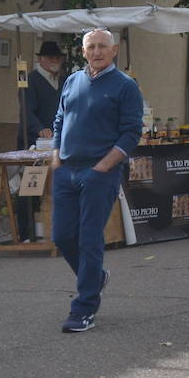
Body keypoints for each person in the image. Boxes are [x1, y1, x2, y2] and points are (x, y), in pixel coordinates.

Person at [50, 29, 143, 333]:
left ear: (114, 50)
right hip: (67, 170)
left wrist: (103, 167)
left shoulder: (125, 86)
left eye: (103, 46)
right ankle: (96, 278)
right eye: (91, 47)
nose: (97, 52)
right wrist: (55, 156)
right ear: (83, 50)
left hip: (99, 173)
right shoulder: (73, 80)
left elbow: (131, 133)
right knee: (63, 236)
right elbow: (60, 118)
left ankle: (84, 309)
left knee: (89, 239)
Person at [15, 40, 65, 242]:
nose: (54, 61)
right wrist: (39, 129)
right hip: (32, 140)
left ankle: (50, 228)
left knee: (55, 185)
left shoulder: (63, 81)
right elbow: (26, 110)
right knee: (30, 185)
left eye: (57, 58)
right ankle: (26, 232)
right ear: (41, 59)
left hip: (57, 140)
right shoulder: (29, 80)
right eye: (50, 57)